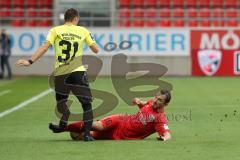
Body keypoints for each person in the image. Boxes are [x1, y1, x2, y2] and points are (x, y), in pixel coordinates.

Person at [16, 8, 99, 141]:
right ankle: (87, 134)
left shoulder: (55, 30)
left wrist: (30, 61)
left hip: (61, 73)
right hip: (77, 72)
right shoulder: (83, 30)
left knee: (61, 102)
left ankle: (62, 125)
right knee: (86, 104)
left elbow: (44, 47)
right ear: (76, 19)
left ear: (65, 19)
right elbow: (95, 49)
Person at [49, 90, 172, 141]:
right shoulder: (151, 102)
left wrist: (163, 138)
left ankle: (74, 129)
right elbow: (145, 105)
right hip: (120, 120)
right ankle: (62, 127)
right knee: (98, 126)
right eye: (156, 97)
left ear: (165, 104)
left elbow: (167, 134)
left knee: (80, 136)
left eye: (160, 100)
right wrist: (138, 102)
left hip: (120, 135)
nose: (155, 100)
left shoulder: (160, 118)